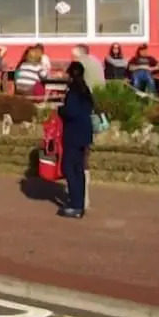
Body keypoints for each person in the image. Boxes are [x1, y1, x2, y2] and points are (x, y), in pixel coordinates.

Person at [58, 61, 94, 219]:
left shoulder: (73, 92)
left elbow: (71, 112)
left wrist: (60, 110)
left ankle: (75, 204)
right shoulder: (85, 90)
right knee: (79, 168)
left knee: (69, 168)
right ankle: (80, 202)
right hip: (85, 133)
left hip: (74, 133)